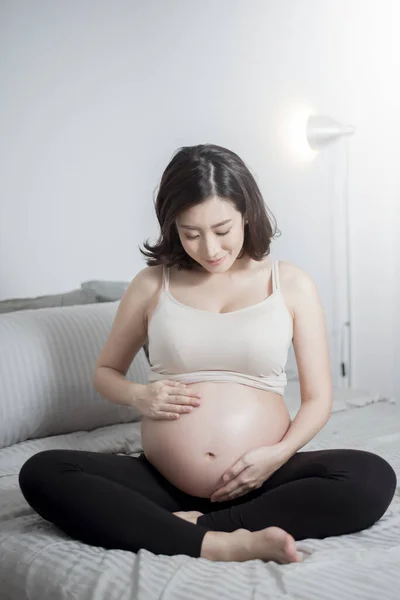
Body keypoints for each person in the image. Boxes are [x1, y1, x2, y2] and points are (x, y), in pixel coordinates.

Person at [19, 144, 396, 564]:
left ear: (246, 214)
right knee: (43, 472)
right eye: (191, 233)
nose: (209, 249)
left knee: (371, 476)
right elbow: (106, 372)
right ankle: (222, 542)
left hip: (261, 474)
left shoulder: (290, 283)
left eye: (222, 229)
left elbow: (318, 399)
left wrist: (276, 455)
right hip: (163, 479)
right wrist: (138, 396)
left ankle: (196, 529)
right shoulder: (151, 284)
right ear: (172, 225)